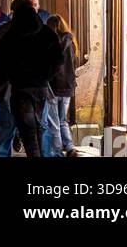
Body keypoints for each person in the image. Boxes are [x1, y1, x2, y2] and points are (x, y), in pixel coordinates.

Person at [0, 0, 63, 157]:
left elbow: (1, 63)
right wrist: (46, 76)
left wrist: (2, 85)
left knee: (27, 129)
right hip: (40, 87)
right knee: (41, 125)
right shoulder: (47, 33)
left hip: (20, 88)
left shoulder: (10, 35)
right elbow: (58, 58)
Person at [46, 14, 79, 157]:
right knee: (62, 120)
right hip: (68, 86)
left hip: (53, 86)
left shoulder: (50, 43)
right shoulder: (71, 42)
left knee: (53, 122)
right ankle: (70, 147)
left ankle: (57, 151)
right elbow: (74, 64)